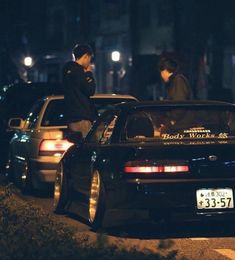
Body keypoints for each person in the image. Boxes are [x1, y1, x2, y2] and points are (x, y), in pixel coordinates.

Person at [62, 43, 96, 138]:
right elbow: (90, 90)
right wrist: (89, 73)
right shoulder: (79, 72)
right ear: (85, 56)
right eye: (89, 58)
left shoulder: (68, 70)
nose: (89, 62)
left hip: (71, 116)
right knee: (87, 147)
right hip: (81, 118)